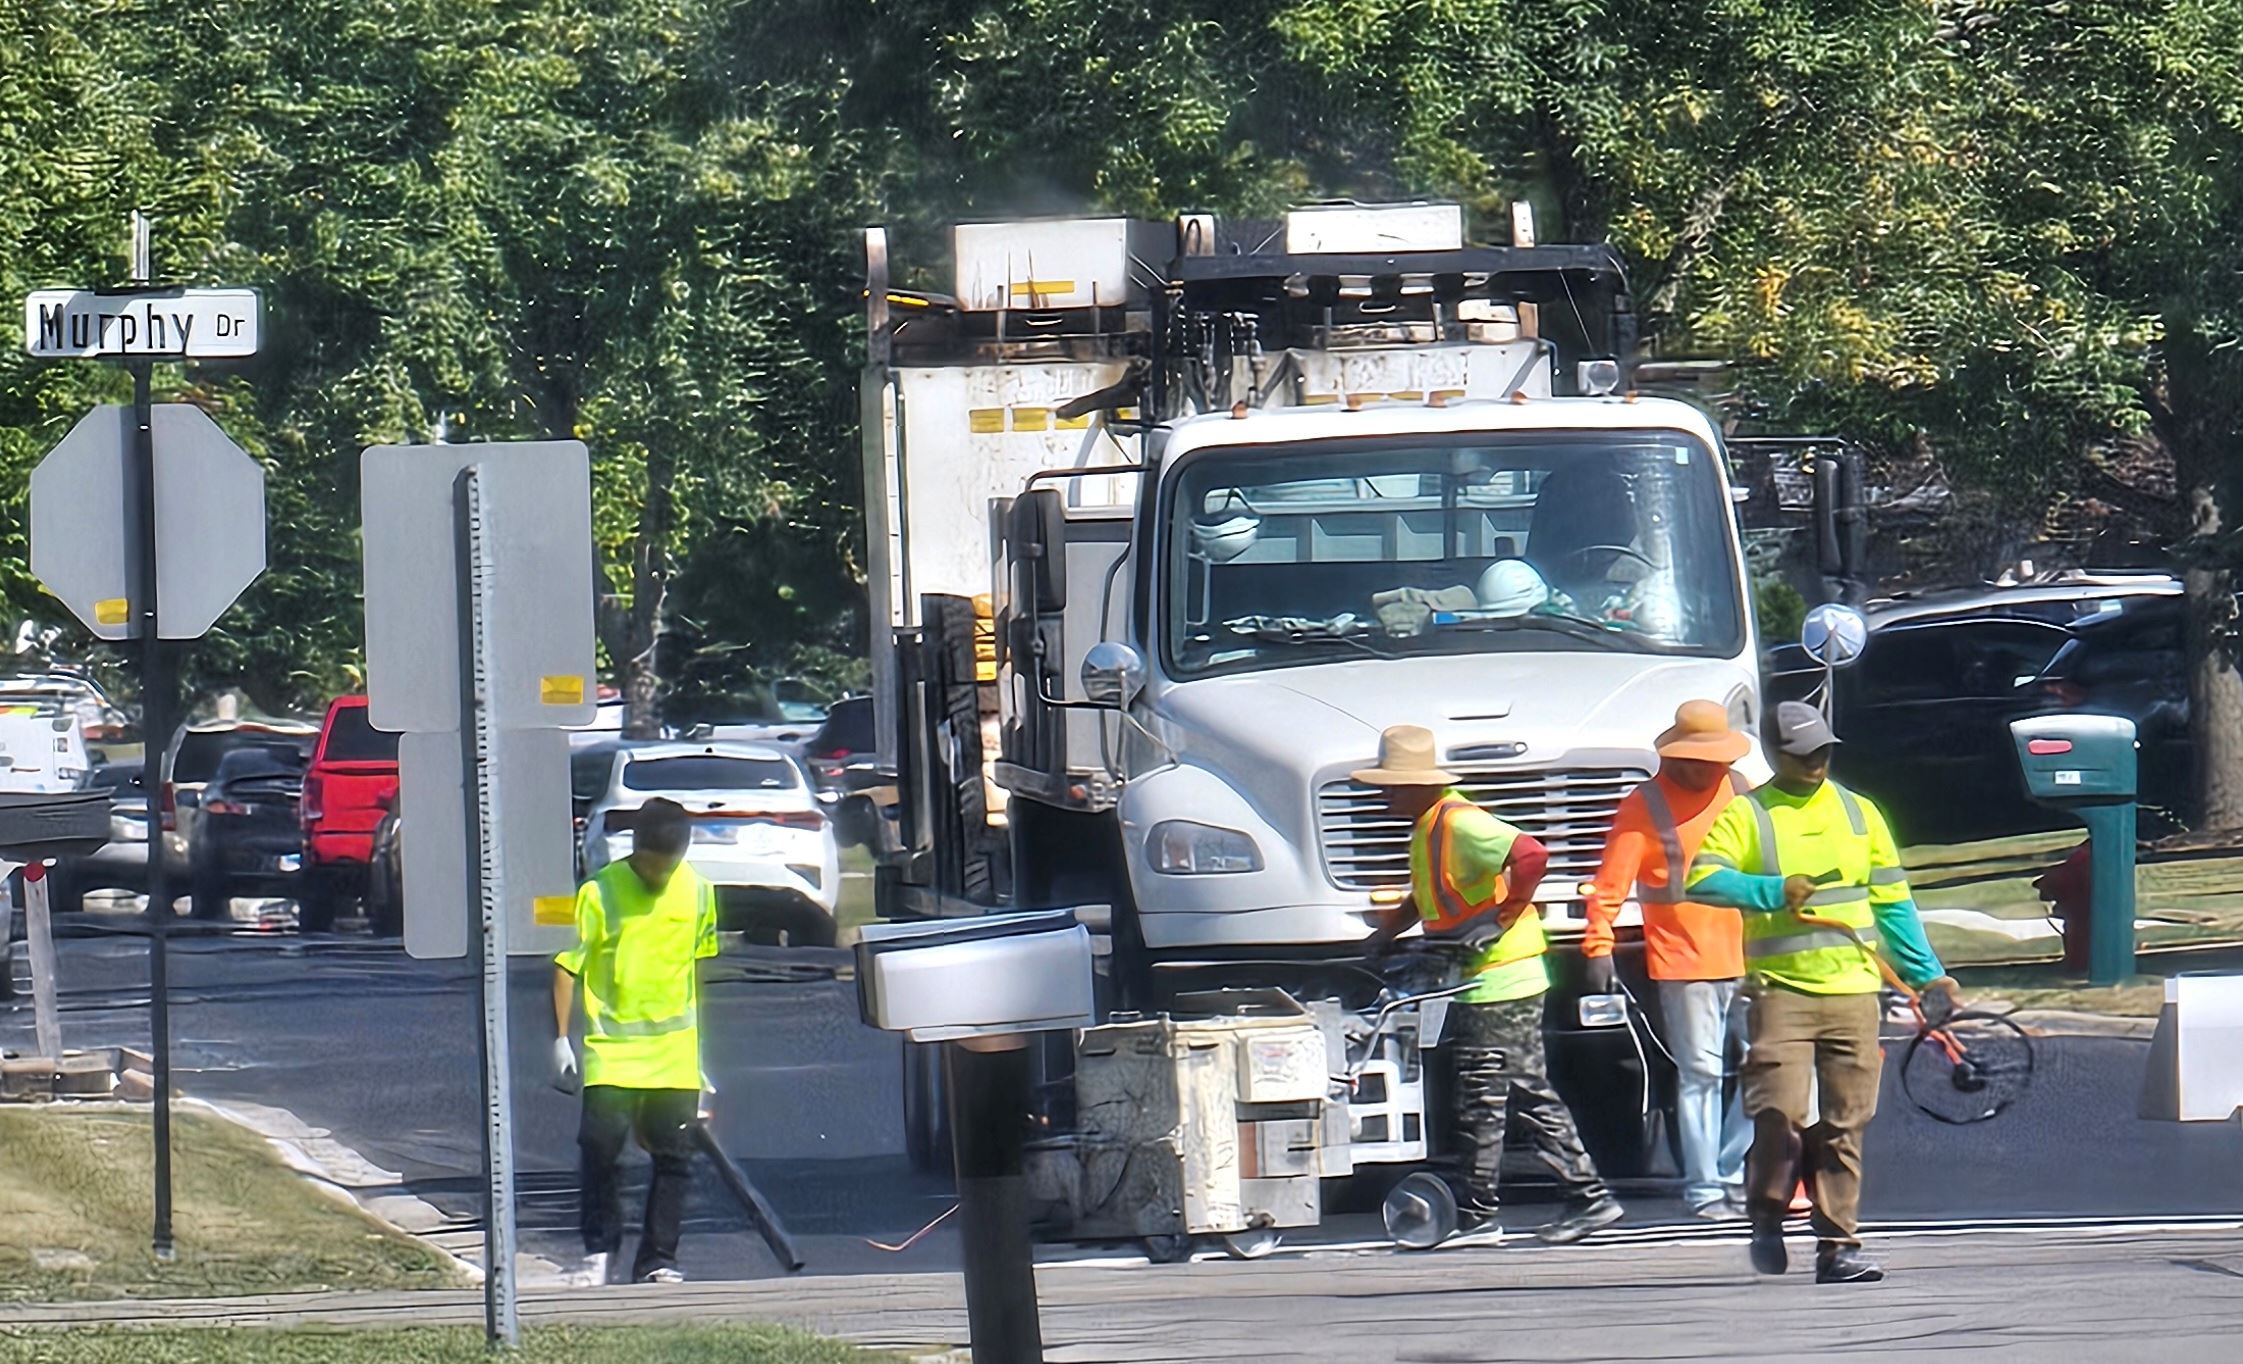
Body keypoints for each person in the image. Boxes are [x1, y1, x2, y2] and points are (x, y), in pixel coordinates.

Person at [1685, 702, 1959, 1284]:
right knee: (1778, 1115)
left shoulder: (1860, 815)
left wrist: (1927, 975)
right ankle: (1766, 1210)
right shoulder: (1749, 816)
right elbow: (1703, 880)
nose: (1815, 762)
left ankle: (1839, 1247)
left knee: (1844, 1124)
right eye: (1802, 753)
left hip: (1855, 994)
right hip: (1780, 994)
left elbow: (1893, 904)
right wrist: (1772, 889)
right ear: (1775, 753)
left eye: (1823, 751)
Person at [1357, 724, 1625, 1246]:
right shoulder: (1430, 827)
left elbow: (1531, 856)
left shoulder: (1460, 823)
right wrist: (1387, 933)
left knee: (1501, 1091)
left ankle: (1554, 1202)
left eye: (1390, 786)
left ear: (1417, 785)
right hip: (1485, 979)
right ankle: (1494, 1208)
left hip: (1503, 977)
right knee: (1495, 1092)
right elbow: (1429, 893)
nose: (1384, 796)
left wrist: (1502, 917)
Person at [1582, 700, 1753, 1219]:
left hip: (1753, 956)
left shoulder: (1741, 790)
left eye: (1715, 759)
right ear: (1675, 757)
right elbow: (1608, 887)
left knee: (1770, 1067)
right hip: (1684, 962)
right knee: (1702, 1073)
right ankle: (1705, 1190)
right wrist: (1598, 946)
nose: (1709, 769)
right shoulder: (1644, 806)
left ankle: (1731, 1170)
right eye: (1697, 759)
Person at [551, 797, 719, 1286]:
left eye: (668, 866)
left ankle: (658, 1259)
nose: (659, 875)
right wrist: (561, 1038)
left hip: (675, 1053)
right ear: (636, 848)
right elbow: (567, 964)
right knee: (600, 1147)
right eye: (651, 865)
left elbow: (697, 969)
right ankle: (599, 1247)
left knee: (675, 1158)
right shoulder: (598, 893)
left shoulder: (700, 893)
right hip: (612, 1050)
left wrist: (702, 1056)